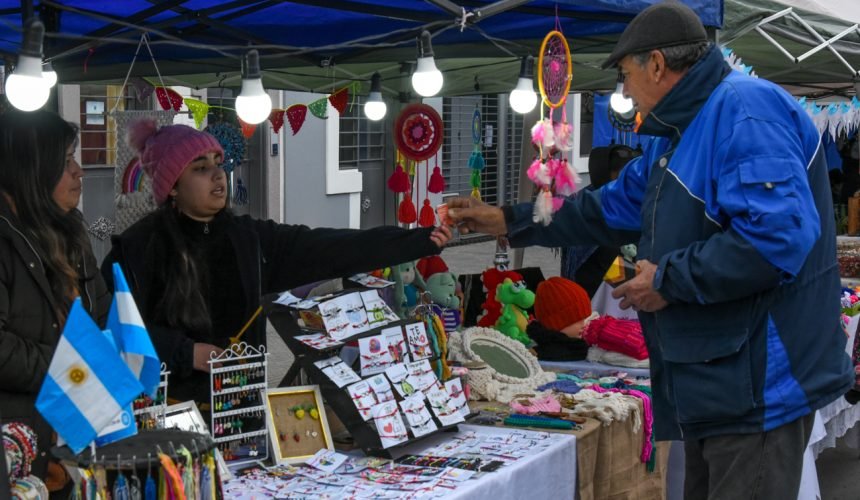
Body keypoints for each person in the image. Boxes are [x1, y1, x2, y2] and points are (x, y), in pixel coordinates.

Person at [447, 2, 854, 498]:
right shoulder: (676, 134)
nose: (624, 90)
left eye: (624, 74)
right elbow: (605, 207)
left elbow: (776, 239)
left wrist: (666, 280)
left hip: (758, 384)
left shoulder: (746, 111)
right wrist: (509, 221)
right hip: (717, 379)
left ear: (656, 64)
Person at [101, 119, 452, 406]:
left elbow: (333, 247)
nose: (218, 175)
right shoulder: (137, 248)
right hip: (167, 412)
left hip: (241, 407)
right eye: (201, 168)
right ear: (173, 187)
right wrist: (187, 352)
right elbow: (112, 328)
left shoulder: (250, 238)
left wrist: (418, 241)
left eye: (218, 164)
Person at [0, 110, 111, 491]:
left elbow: (102, 317)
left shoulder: (71, 233)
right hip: (18, 452)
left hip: (74, 440)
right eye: (65, 162)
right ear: (30, 170)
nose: (79, 171)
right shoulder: (4, 240)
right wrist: (68, 366)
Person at [561, 143, 641, 297]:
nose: (630, 182)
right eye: (623, 176)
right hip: (594, 296)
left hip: (622, 296)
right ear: (603, 175)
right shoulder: (585, 208)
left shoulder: (633, 204)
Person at [527, 277, 593, 361]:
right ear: (556, 323)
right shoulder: (539, 355)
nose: (584, 324)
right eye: (577, 320)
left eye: (584, 319)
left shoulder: (585, 346)